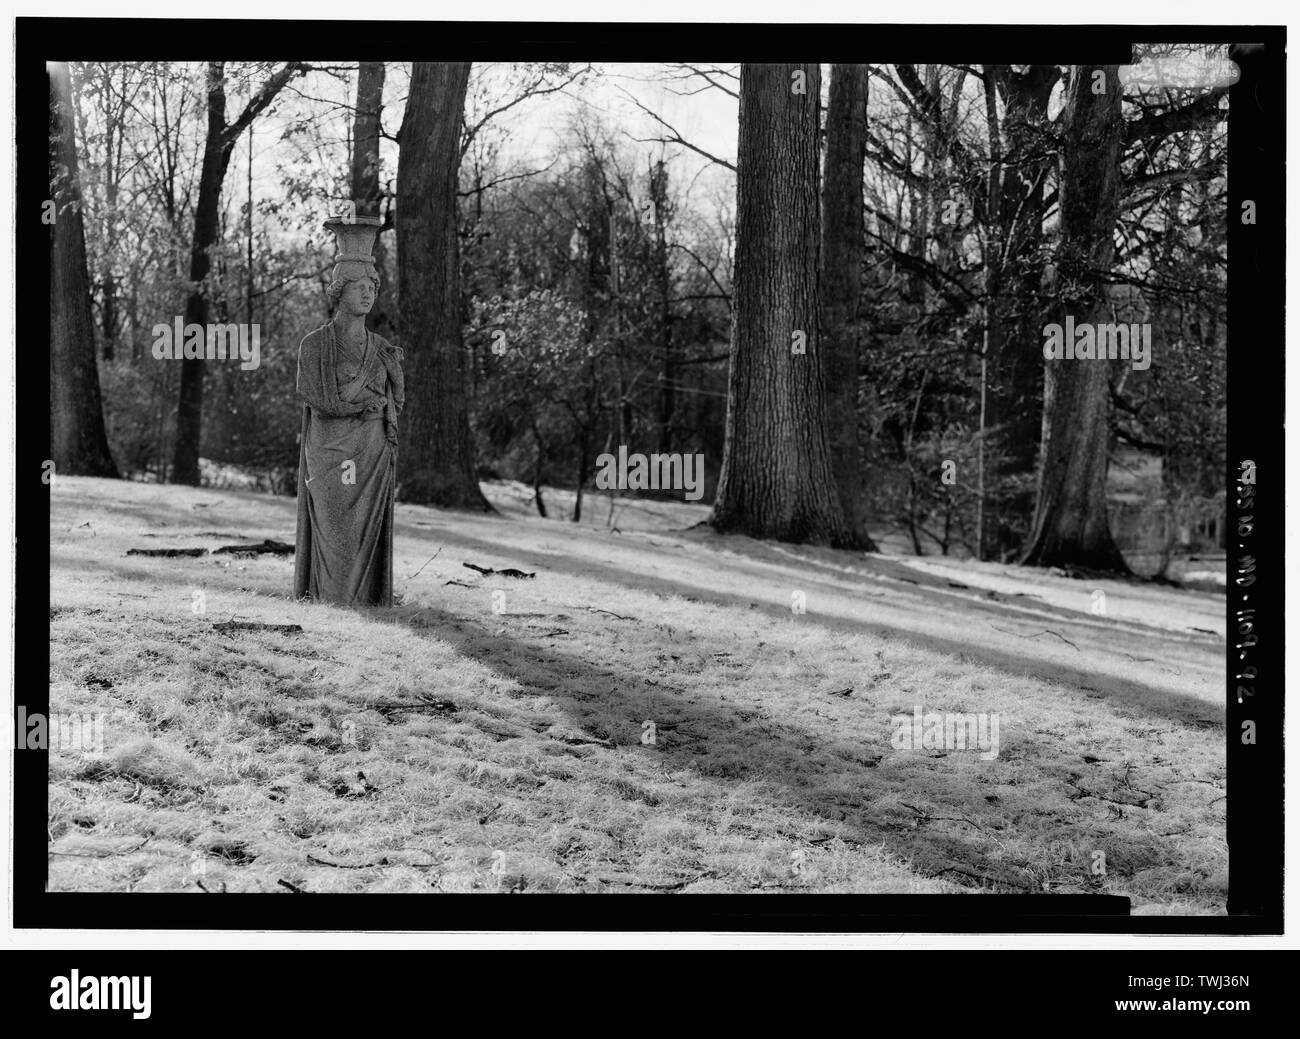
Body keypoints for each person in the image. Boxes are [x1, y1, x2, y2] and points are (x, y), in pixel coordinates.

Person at [294, 216, 404, 606]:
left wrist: (392, 386)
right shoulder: (314, 346)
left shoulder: (383, 349)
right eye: (360, 287)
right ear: (339, 292)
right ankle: (329, 598)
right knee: (334, 523)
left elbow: (395, 401)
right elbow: (314, 397)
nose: (368, 295)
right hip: (328, 449)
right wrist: (357, 404)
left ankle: (364, 599)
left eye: (372, 287)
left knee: (361, 531)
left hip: (371, 450)